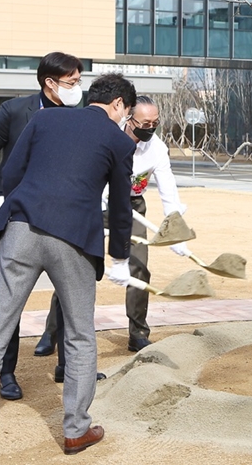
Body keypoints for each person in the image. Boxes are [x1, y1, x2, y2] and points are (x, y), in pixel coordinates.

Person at [0, 73, 137, 461]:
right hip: (74, 238)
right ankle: (75, 431)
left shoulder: (45, 118)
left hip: (22, 229)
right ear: (120, 105)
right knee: (79, 335)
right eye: (129, 112)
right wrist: (120, 256)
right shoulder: (120, 141)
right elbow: (122, 206)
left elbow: (11, 174)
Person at [38, 95, 190, 361]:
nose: (150, 128)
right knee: (74, 269)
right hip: (93, 204)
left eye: (155, 123)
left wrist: (175, 228)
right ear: (129, 118)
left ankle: (138, 333)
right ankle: (52, 332)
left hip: (131, 209)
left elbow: (168, 191)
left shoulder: (156, 149)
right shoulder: (106, 136)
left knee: (139, 268)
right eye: (145, 122)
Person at [0, 51, 84, 401]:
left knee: (71, 297)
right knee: (9, 302)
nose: (77, 88)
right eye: (72, 82)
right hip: (16, 217)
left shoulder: (79, 115)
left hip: (64, 218)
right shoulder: (14, 111)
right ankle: (6, 374)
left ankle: (70, 365)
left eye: (80, 81)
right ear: (49, 82)